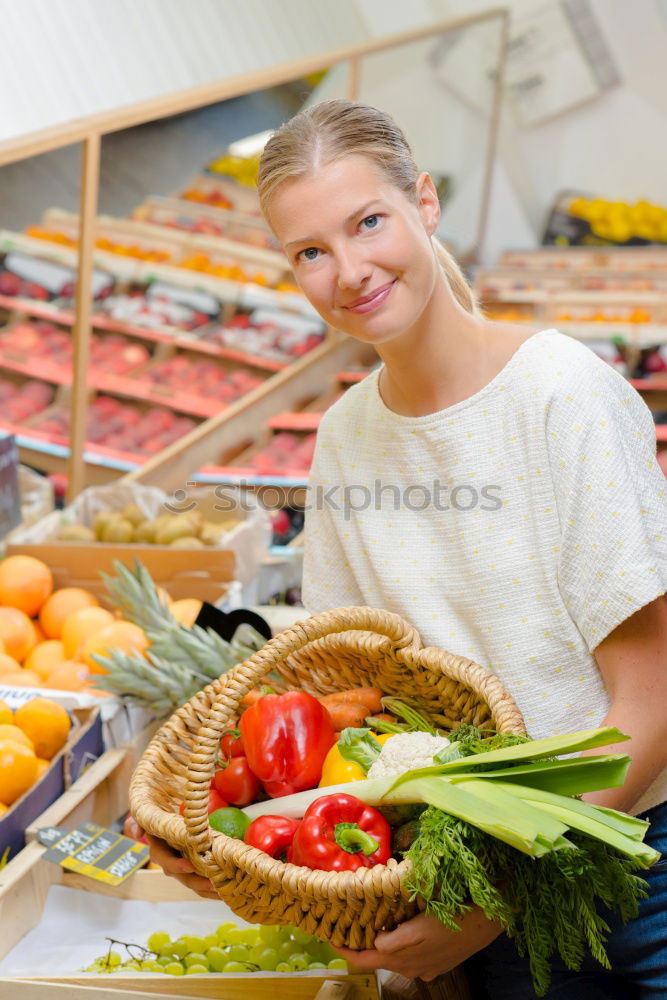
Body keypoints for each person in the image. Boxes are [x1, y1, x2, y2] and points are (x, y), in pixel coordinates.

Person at [147, 100, 667, 997]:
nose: (348, 271)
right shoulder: (347, 435)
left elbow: (649, 703)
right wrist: (223, 830)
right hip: (458, 881)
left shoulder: (562, 397)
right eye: (309, 251)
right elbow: (354, 700)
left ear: (423, 203)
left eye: (368, 223)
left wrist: (499, 900)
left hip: (625, 874)